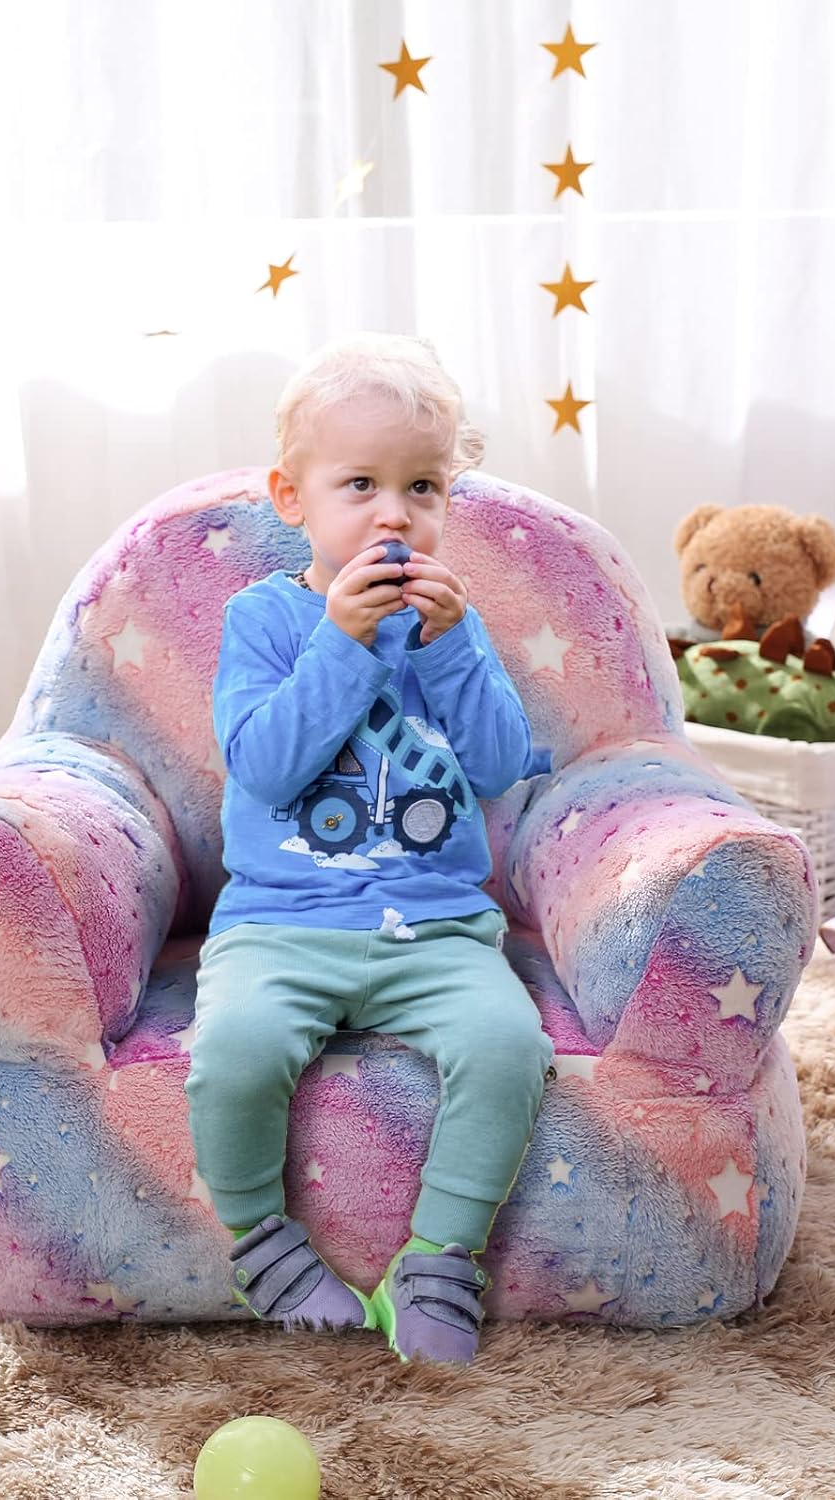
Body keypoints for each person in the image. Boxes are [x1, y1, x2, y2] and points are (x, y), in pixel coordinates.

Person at [185, 331, 555, 1364]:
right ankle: (261, 1241)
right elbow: (267, 767)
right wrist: (340, 645)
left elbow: (498, 765)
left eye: (421, 487)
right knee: (234, 1053)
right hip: (280, 925)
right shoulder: (265, 620)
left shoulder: (451, 627)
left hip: (436, 927)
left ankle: (437, 1260)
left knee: (507, 1046)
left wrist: (455, 648)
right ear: (291, 497)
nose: (395, 514)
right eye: (361, 484)